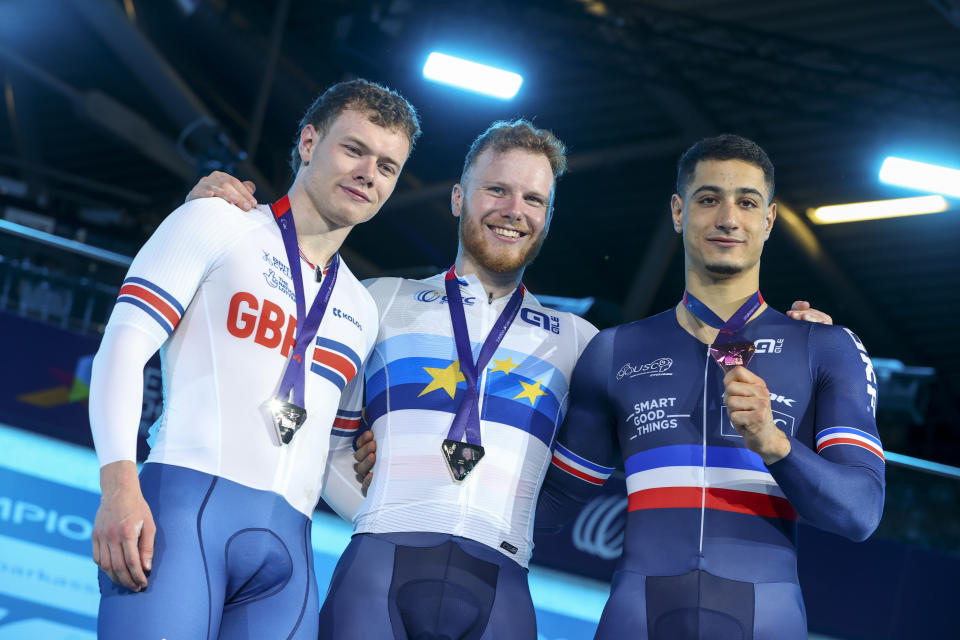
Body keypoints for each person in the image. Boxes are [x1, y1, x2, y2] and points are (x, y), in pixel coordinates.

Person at [193, 125, 834, 639]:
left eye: (533, 200)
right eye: (497, 191)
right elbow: (302, 387)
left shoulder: (582, 343)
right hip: (375, 573)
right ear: (458, 198)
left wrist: (790, 334)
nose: (513, 211)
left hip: (501, 587)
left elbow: (681, 358)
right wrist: (231, 219)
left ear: (548, 217)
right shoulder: (376, 303)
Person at [89, 79, 420, 639]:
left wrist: (414, 508)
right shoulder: (217, 222)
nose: (370, 173)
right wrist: (119, 486)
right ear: (309, 143)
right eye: (354, 149)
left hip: (288, 558)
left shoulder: (361, 309)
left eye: (388, 166)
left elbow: (333, 458)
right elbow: (122, 346)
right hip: (179, 521)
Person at [536, 134, 885, 639]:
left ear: (767, 221)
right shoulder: (615, 351)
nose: (727, 218)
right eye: (708, 199)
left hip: (764, 617)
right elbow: (551, 504)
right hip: (638, 616)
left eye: (746, 202)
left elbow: (860, 513)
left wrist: (774, 444)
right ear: (678, 212)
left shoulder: (824, 347)